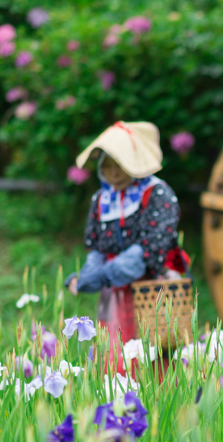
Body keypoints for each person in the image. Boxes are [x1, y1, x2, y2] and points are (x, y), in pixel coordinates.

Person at [65, 121, 190, 372]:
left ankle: (158, 407)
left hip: (152, 286)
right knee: (114, 353)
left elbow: (149, 248)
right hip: (116, 291)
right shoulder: (102, 199)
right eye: (107, 166)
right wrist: (86, 277)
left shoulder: (157, 193)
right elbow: (97, 246)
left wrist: (101, 276)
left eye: (120, 165)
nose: (114, 174)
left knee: (155, 352)